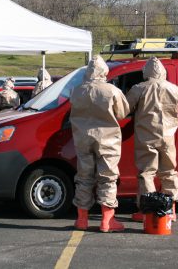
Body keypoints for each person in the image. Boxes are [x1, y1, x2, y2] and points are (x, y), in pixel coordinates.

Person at [70, 55, 130, 232]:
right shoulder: (111, 90)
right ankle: (107, 221)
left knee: (83, 178)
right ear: (104, 71)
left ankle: (82, 220)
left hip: (82, 139)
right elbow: (123, 113)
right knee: (108, 178)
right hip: (107, 140)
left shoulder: (76, 90)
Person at [126, 56, 178, 222]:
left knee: (147, 173)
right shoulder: (174, 88)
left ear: (146, 72)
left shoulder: (139, 88)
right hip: (168, 136)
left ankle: (147, 212)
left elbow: (125, 108)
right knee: (169, 172)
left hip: (146, 136)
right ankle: (170, 210)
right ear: (162, 71)